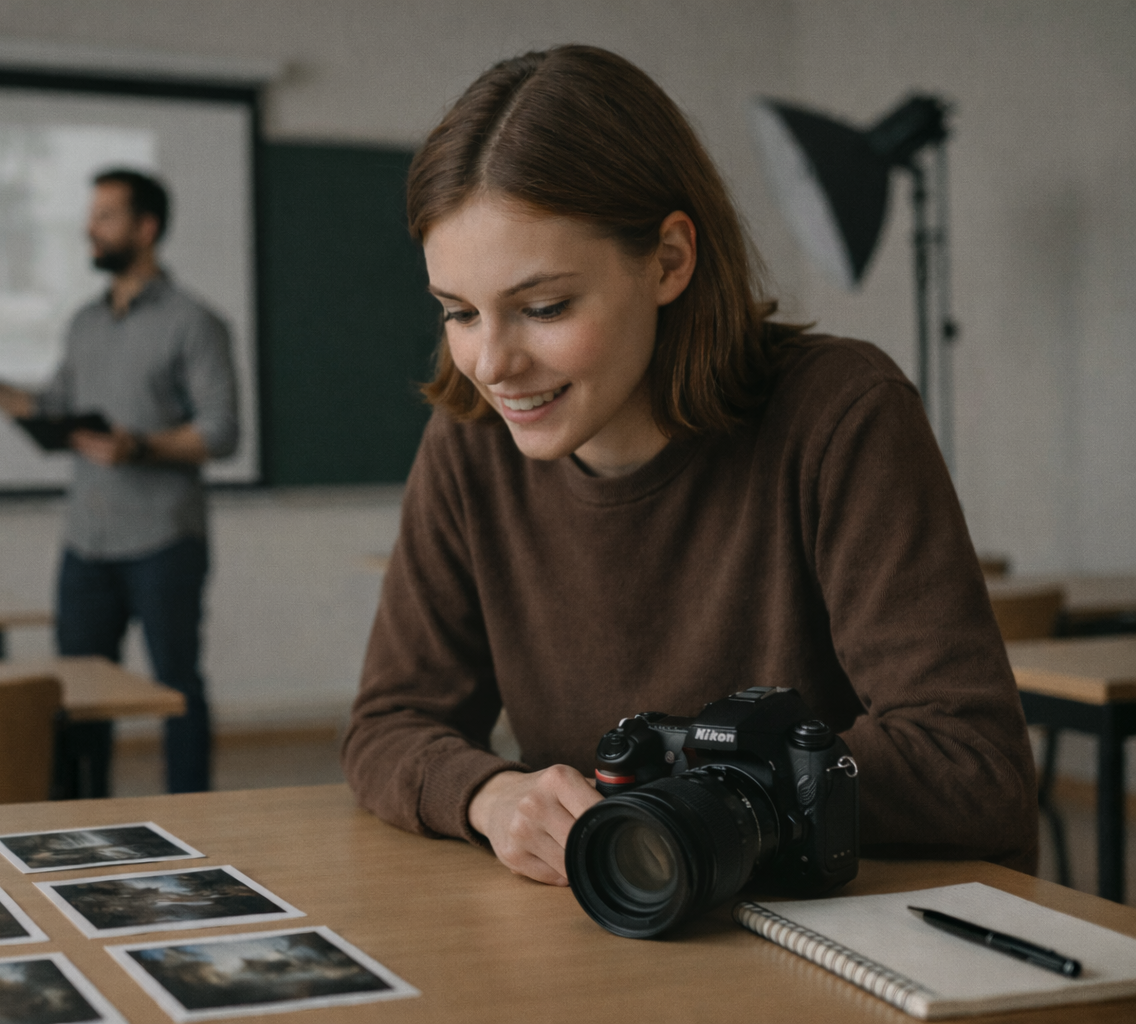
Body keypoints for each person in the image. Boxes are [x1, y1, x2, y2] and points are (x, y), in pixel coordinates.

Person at [341, 45, 1038, 886]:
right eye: (457, 312)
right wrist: (490, 797)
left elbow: (972, 763)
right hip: (614, 916)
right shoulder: (469, 442)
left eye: (545, 307)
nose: (490, 365)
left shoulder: (840, 414)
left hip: (835, 935)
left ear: (669, 260)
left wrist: (687, 805)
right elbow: (388, 725)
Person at [0, 168, 238, 793]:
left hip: (164, 541)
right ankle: (80, 824)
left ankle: (198, 821)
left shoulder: (194, 322)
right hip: (87, 544)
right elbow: (51, 410)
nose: (88, 229)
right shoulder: (84, 324)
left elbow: (222, 432)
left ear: (145, 227)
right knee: (78, 696)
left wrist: (142, 445)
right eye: (91, 216)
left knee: (177, 687)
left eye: (104, 216)